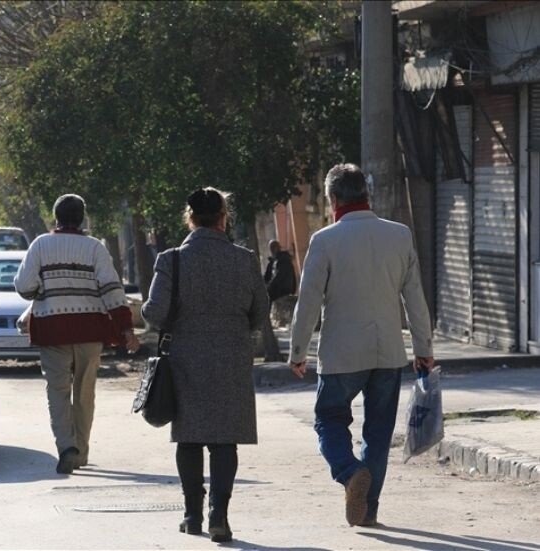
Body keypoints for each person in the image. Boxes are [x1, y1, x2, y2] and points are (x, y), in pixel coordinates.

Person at [289, 163, 434, 527]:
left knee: (329, 419)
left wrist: (298, 351)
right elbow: (414, 296)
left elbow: (307, 301)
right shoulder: (399, 235)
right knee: (379, 434)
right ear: (366, 195)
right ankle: (368, 509)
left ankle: (349, 471)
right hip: (388, 353)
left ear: (333, 198)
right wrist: (424, 347)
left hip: (341, 355)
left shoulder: (324, 241)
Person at [141, 187, 269, 543]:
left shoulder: (171, 260)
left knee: (190, 437)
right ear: (223, 218)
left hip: (186, 357)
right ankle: (220, 515)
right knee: (225, 440)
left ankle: (192, 514)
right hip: (231, 357)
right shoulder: (244, 260)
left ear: (190, 218)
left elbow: (154, 313)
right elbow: (260, 310)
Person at [14, 194, 139, 475]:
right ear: (82, 218)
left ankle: (66, 447)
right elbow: (112, 289)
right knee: (84, 393)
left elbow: (24, 286)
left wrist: (40, 288)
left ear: (55, 218)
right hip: (89, 330)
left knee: (57, 392)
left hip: (52, 329)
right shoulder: (94, 248)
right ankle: (81, 451)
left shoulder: (41, 245)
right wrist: (126, 329)